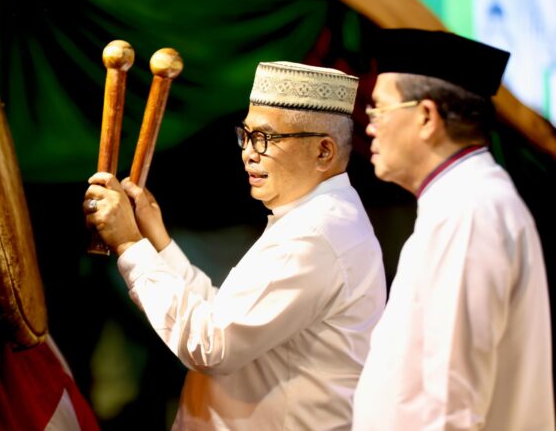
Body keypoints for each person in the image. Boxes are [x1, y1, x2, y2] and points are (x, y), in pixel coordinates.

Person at [84, 61, 386, 430]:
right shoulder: (316, 217)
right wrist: (155, 239)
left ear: (323, 152)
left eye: (266, 139)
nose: (248, 153)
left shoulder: (313, 233)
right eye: (246, 135)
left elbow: (211, 346)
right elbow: (223, 317)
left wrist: (130, 244)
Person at [352, 28, 555, 431]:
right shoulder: (459, 200)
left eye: (379, 110)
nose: (369, 125)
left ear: (426, 117)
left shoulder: (469, 210)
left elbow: (451, 401)